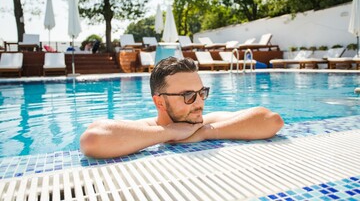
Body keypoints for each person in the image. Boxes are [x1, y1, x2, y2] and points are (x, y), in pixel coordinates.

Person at [80, 57, 284, 158]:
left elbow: (272, 119)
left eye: (201, 92)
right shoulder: (143, 128)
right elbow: (92, 139)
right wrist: (168, 132)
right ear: (160, 102)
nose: (199, 103)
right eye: (188, 95)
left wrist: (206, 133)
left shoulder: (204, 123)